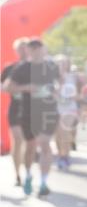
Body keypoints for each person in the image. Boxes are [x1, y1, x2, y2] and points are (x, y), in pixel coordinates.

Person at [6, 39, 60, 196]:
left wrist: (57, 90)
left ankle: (43, 182)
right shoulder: (22, 68)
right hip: (28, 111)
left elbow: (60, 83)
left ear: (44, 49)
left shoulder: (52, 66)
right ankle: (28, 175)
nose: (36, 51)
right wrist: (26, 88)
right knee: (30, 147)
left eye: (39, 48)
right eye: (33, 48)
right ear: (28, 51)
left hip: (48, 111)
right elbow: (8, 87)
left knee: (44, 144)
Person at [1, 38, 29, 186]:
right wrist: (19, 88)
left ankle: (27, 169)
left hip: (31, 108)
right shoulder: (10, 68)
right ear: (16, 51)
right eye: (20, 48)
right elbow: (2, 87)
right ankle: (17, 174)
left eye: (26, 48)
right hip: (15, 107)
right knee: (17, 140)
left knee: (27, 141)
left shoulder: (36, 67)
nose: (24, 51)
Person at [53, 55, 80, 170]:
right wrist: (60, 85)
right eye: (59, 63)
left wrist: (75, 97)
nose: (62, 65)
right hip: (55, 108)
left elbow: (78, 94)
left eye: (64, 63)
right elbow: (52, 95)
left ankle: (65, 155)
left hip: (70, 108)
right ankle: (61, 154)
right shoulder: (51, 78)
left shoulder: (73, 77)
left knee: (65, 132)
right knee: (58, 135)